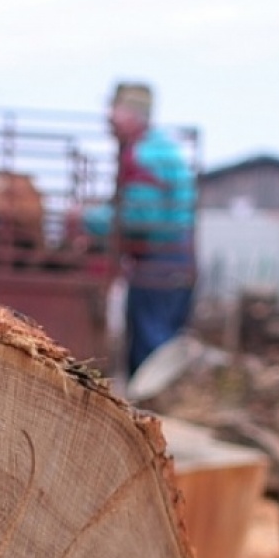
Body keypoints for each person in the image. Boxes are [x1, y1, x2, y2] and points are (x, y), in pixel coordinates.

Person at [80, 82, 197, 376]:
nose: (108, 118)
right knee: (160, 342)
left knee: (151, 348)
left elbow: (138, 215)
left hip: (160, 260)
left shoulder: (145, 154)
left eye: (114, 110)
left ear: (133, 114)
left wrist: (87, 219)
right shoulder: (159, 148)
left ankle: (155, 414)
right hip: (174, 257)